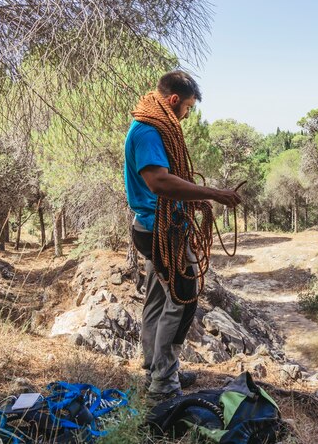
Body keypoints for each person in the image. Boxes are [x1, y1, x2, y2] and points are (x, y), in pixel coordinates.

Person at [124, 70, 241, 400]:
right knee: (184, 298)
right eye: (188, 108)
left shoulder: (150, 125)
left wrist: (195, 196)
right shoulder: (148, 131)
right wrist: (214, 193)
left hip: (154, 227)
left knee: (158, 298)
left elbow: (166, 183)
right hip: (160, 230)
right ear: (174, 101)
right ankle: (164, 380)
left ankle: (156, 367)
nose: (188, 115)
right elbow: (159, 182)